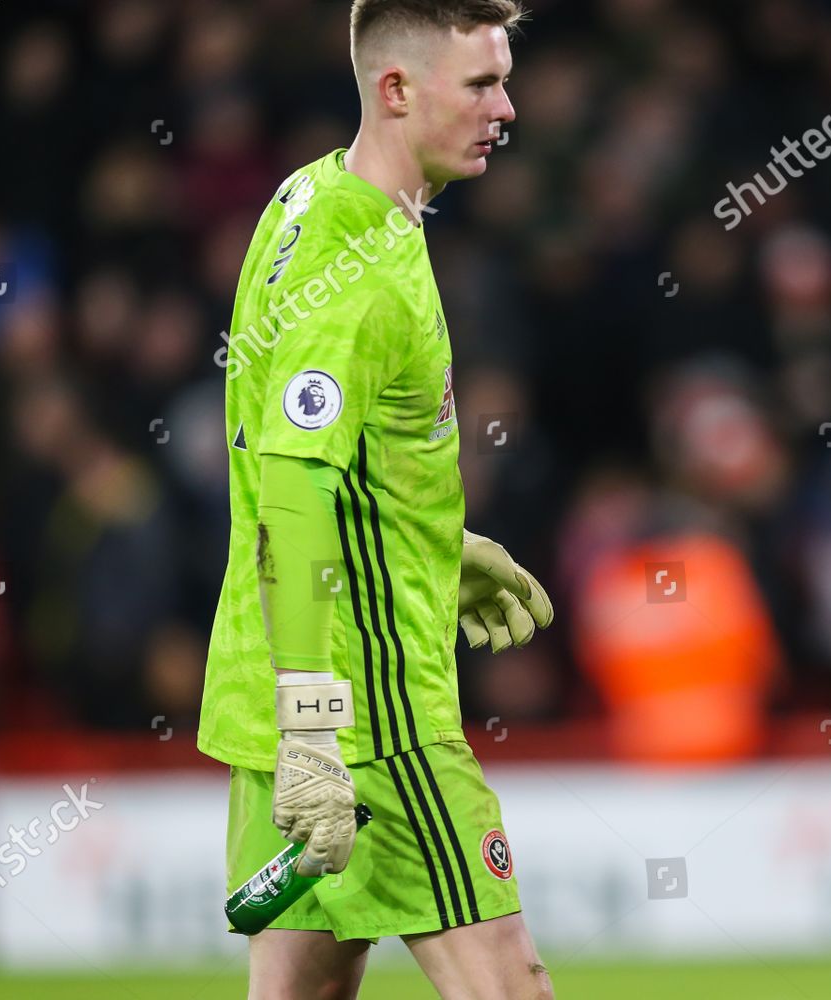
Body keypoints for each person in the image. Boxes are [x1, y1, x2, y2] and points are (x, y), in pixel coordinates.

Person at [196, 2, 556, 998]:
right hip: (368, 717)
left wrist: (441, 540)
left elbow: (321, 455)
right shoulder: (361, 280)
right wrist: (316, 726)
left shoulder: (304, 200)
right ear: (396, 89)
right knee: (510, 989)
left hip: (275, 687)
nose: (508, 107)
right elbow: (297, 493)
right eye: (482, 84)